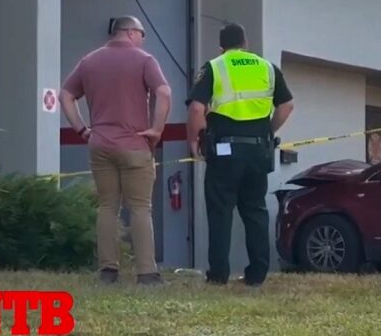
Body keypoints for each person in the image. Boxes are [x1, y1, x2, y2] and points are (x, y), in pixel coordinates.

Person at [59, 15, 172, 285]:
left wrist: (81, 129)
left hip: (99, 144)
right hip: (134, 144)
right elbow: (164, 93)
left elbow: (65, 95)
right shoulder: (144, 60)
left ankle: (108, 271)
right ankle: (147, 273)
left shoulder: (89, 61)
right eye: (142, 34)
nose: (143, 39)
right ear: (132, 32)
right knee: (141, 208)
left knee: (107, 206)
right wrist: (156, 129)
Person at [186, 23, 294, 287]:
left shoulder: (215, 66)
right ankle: (257, 274)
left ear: (221, 46)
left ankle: (219, 274)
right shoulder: (267, 67)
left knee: (220, 212)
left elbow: (197, 109)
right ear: (246, 43)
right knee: (255, 210)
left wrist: (194, 139)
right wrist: (267, 132)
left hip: (224, 151)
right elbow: (287, 105)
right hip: (258, 151)